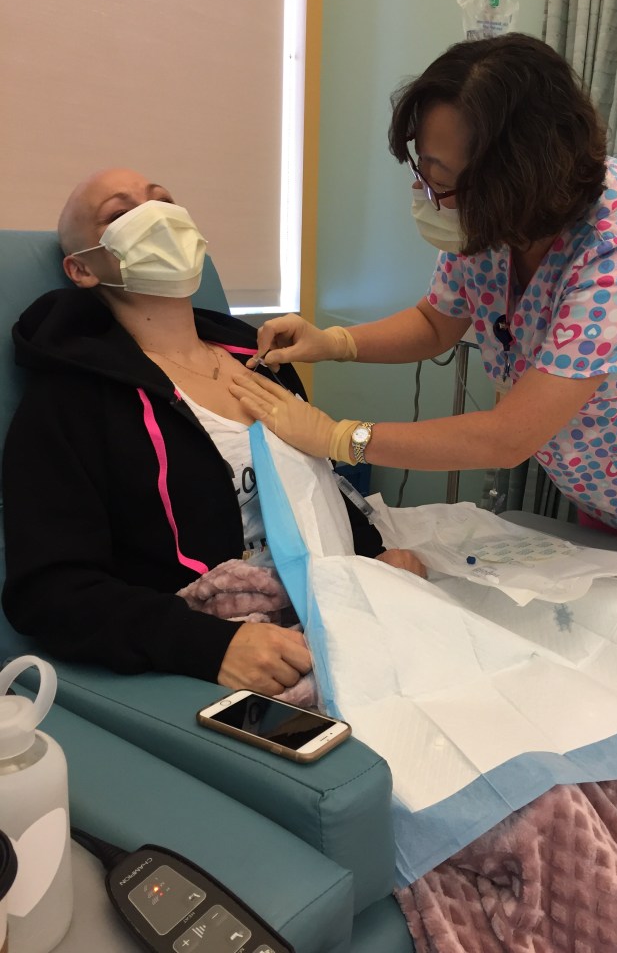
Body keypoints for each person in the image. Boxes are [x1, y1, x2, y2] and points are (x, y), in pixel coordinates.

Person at [228, 34, 617, 801]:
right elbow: (438, 321)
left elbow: (510, 436)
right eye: (423, 169)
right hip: (606, 488)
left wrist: (340, 437)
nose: (426, 194)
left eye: (441, 179)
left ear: (514, 175)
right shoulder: (491, 224)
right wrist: (332, 341)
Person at [2, 168, 424, 697]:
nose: (156, 215)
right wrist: (211, 646)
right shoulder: (72, 397)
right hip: (217, 642)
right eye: (121, 212)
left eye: (164, 199)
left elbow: (315, 483)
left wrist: (375, 556)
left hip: (333, 600)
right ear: (82, 269)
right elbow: (50, 592)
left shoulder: (260, 358)